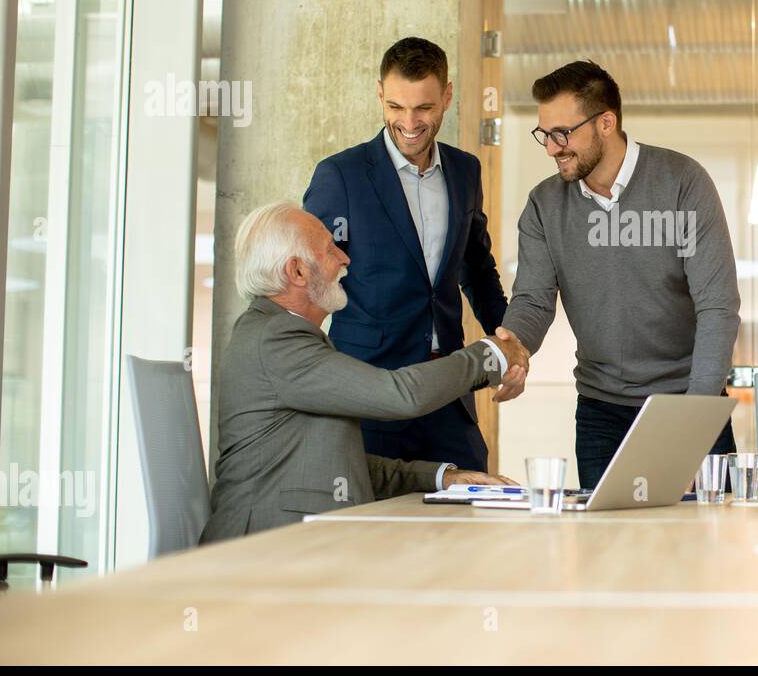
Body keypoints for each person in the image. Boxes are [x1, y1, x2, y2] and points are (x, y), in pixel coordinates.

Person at [200, 201, 523, 543]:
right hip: (265, 548)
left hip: (292, 541)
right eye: (329, 249)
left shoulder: (281, 335)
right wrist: (490, 355)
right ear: (296, 272)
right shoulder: (276, 339)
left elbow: (342, 463)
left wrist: (444, 477)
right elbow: (401, 394)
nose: (345, 258)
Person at [495, 60, 739, 488]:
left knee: (707, 545)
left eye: (562, 134)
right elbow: (533, 300)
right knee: (609, 549)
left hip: (688, 400)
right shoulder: (544, 205)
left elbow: (717, 306)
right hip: (601, 412)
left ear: (605, 122)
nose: (551, 148)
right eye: (544, 135)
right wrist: (515, 346)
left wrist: (694, 417)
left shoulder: (682, 182)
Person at [303, 37, 509, 472]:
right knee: (374, 533)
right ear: (380, 93)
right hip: (370, 396)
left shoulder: (466, 171)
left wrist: (507, 344)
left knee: (470, 513)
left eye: (424, 108)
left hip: (447, 390)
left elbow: (477, 267)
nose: (409, 122)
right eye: (395, 106)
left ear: (447, 96)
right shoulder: (340, 175)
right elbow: (310, 281)